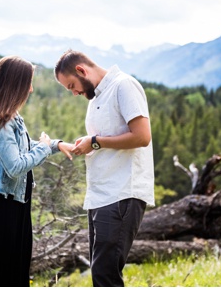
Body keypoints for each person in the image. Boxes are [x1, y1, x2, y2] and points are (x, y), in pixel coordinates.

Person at [0, 55, 73, 287]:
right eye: (27, 83)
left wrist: (55, 145)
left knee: (9, 274)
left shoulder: (11, 118)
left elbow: (24, 147)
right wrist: (42, 147)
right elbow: (15, 166)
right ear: (15, 85)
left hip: (13, 205)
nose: (30, 89)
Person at [53, 49, 154, 287]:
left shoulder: (124, 86)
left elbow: (142, 136)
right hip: (100, 194)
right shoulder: (97, 97)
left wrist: (95, 141)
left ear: (81, 70)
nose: (74, 93)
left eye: (71, 86)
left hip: (122, 192)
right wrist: (89, 144)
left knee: (105, 275)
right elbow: (104, 139)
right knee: (100, 273)